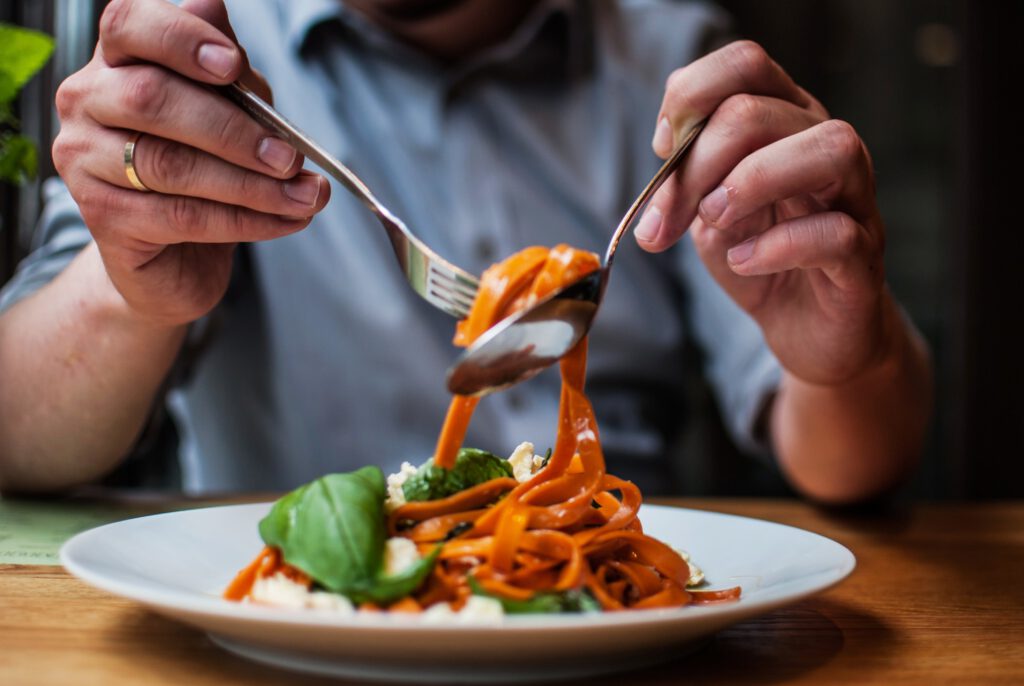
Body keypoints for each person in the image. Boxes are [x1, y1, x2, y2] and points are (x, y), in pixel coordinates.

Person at [0, 0, 931, 502]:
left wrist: (854, 355)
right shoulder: (206, 61)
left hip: (614, 634)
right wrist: (131, 291)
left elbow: (851, 464)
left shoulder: (677, 62)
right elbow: (17, 435)